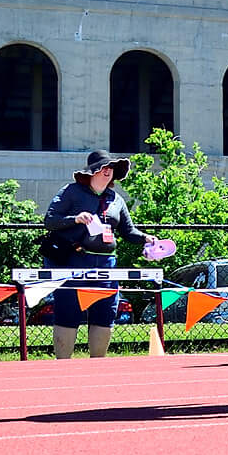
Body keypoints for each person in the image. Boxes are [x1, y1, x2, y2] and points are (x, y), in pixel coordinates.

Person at [38, 150, 176, 360]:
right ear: (91, 172)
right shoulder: (72, 192)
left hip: (106, 265)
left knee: (105, 313)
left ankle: (98, 366)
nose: (107, 172)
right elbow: (50, 220)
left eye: (111, 168)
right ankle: (63, 366)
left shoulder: (116, 199)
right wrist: (76, 219)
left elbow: (128, 232)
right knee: (68, 312)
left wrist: (146, 238)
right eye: (103, 168)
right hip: (73, 262)